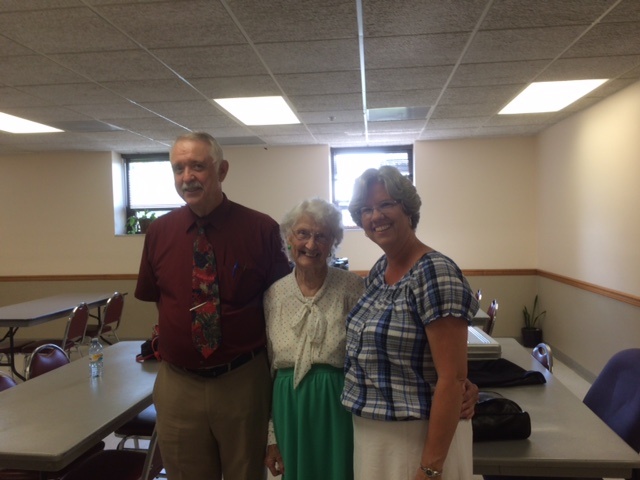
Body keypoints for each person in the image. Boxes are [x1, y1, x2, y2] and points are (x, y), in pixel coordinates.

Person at [135, 132, 291, 480]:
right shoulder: (159, 232)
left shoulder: (261, 229)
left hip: (242, 381)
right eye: (178, 168)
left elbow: (281, 304)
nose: (187, 176)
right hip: (178, 384)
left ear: (221, 170)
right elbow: (161, 299)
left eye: (197, 166)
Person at [341, 166, 480, 480]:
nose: (375, 216)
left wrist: (429, 469)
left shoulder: (435, 272)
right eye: (365, 209)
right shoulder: (380, 271)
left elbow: (452, 378)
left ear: (408, 209)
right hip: (375, 437)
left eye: (386, 204)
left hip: (418, 439)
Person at [263, 198, 364, 480]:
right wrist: (271, 435)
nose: (311, 244)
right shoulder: (273, 294)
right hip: (288, 405)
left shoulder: (353, 287)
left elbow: (370, 356)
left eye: (321, 236)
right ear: (289, 239)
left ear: (333, 242)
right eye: (303, 234)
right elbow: (268, 369)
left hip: (337, 405)